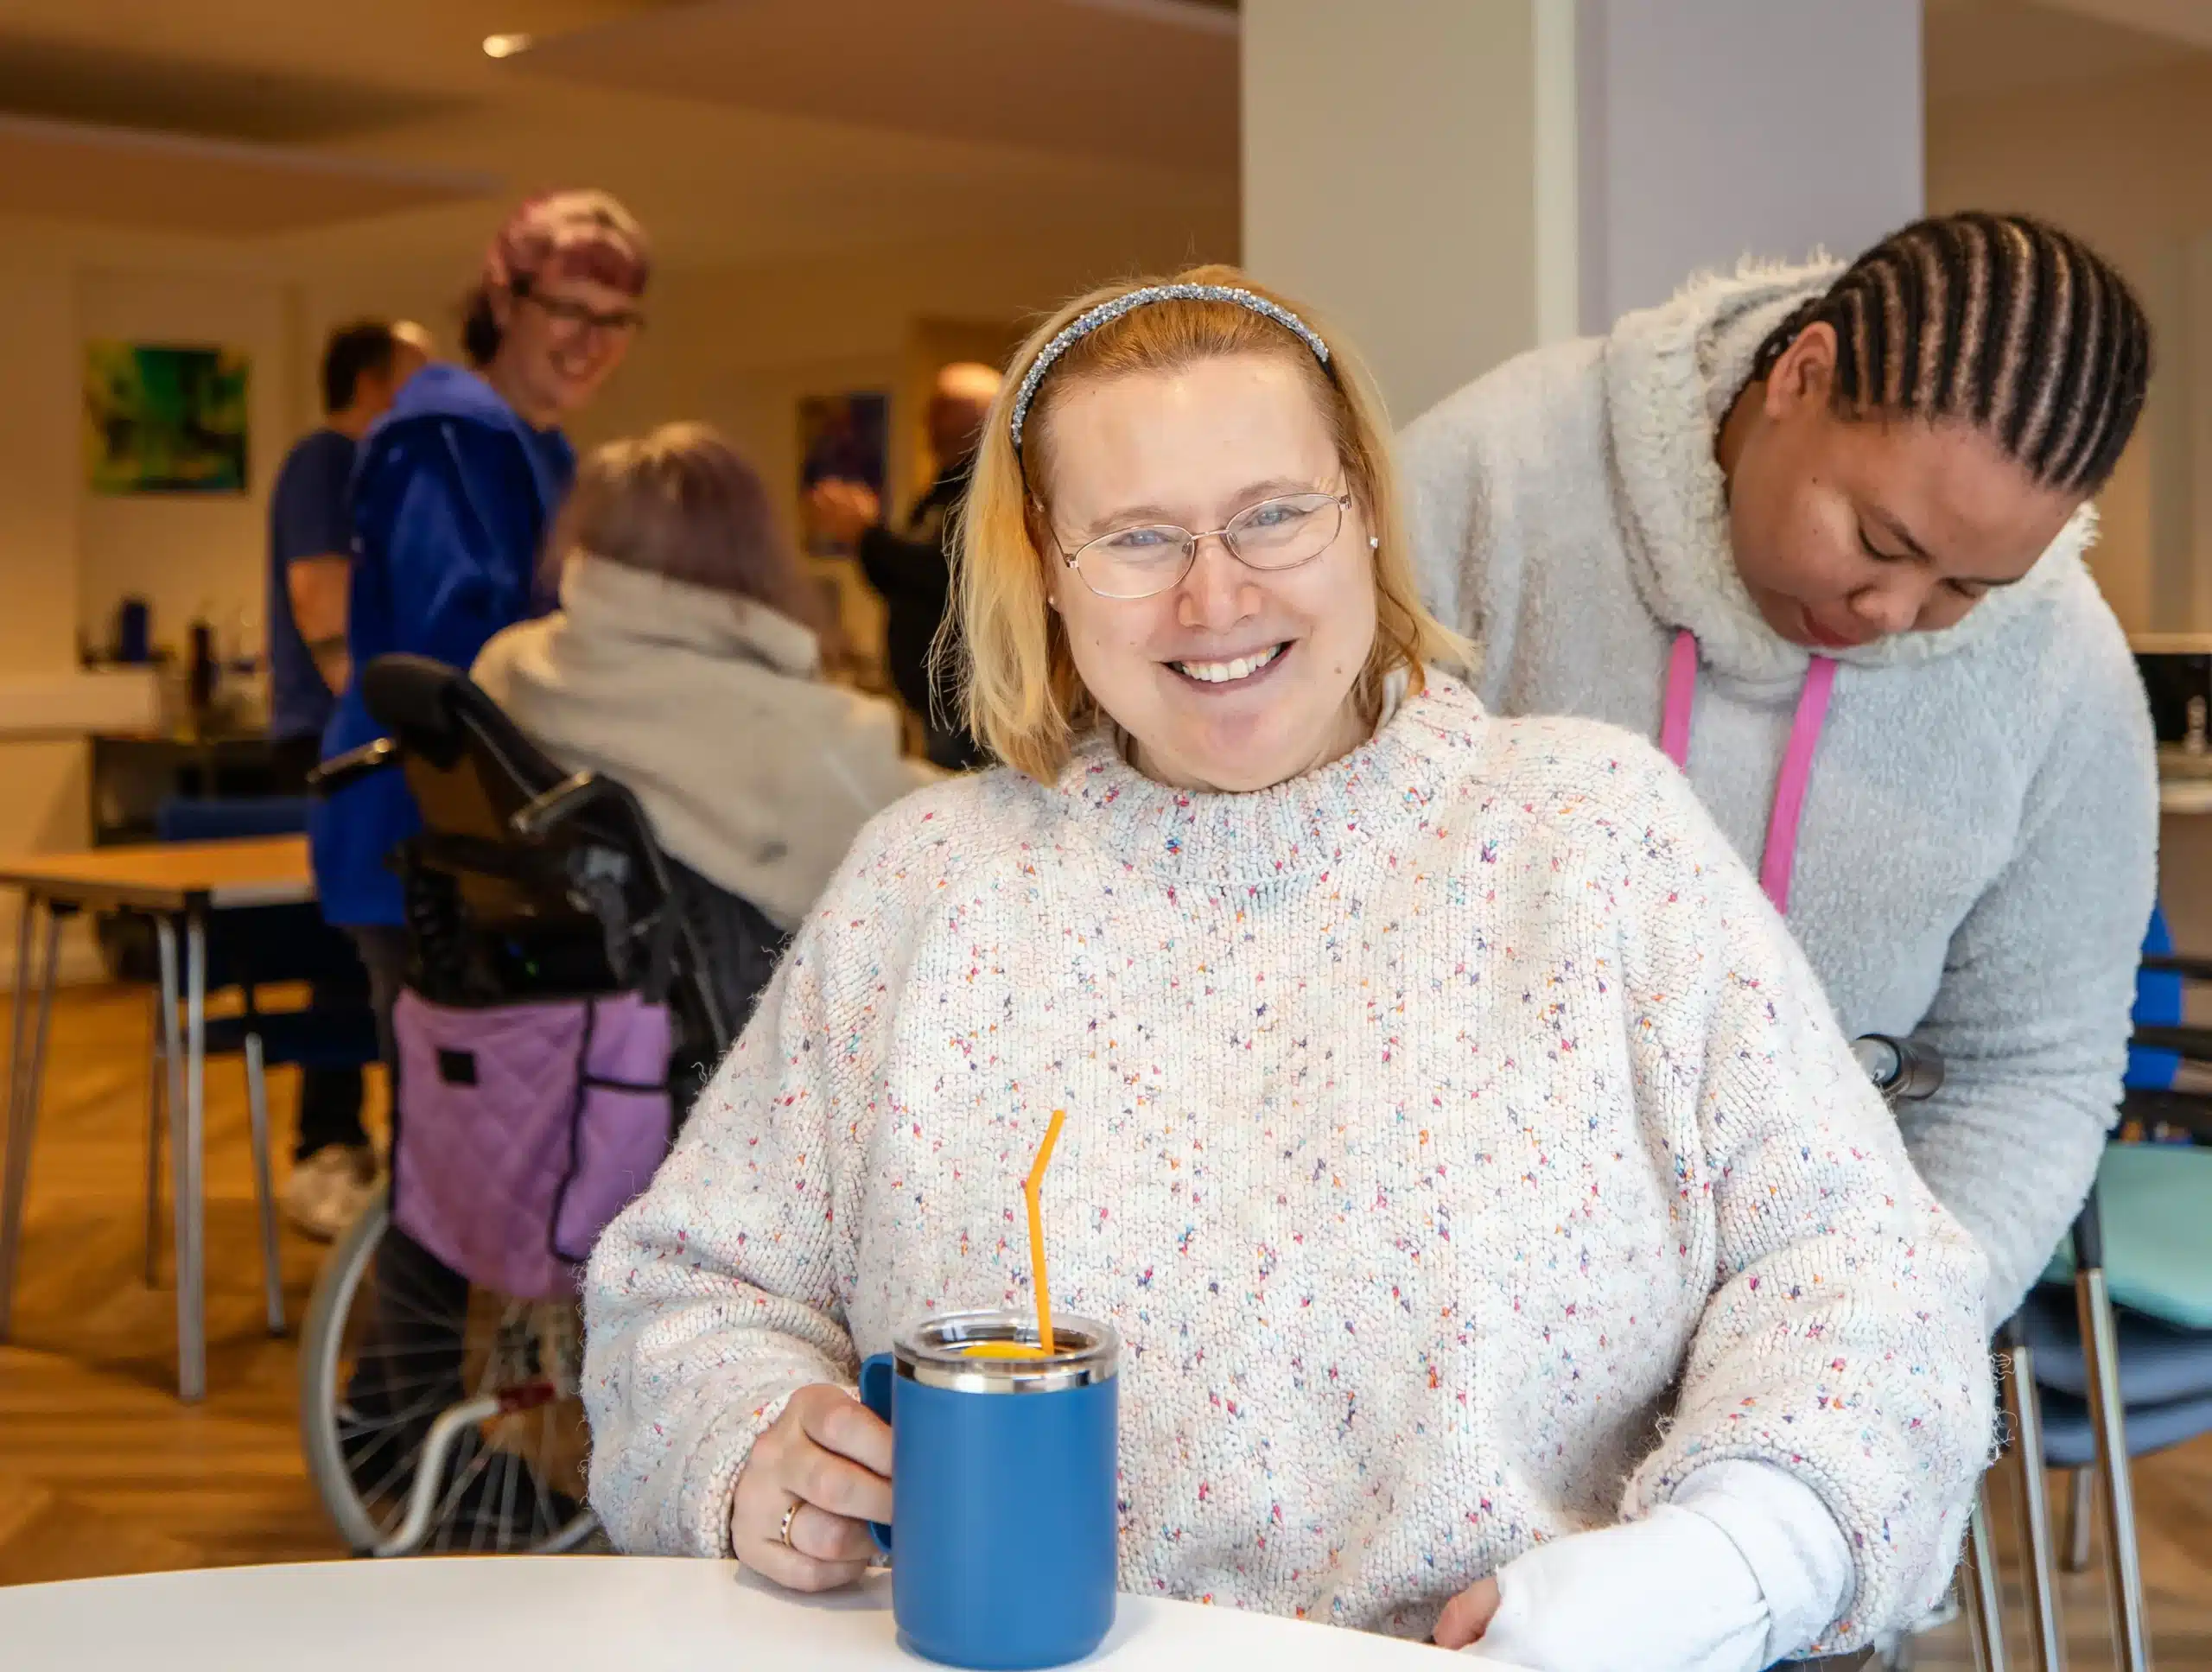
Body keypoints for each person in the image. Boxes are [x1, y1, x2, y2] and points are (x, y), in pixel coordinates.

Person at [582, 268, 1994, 1670]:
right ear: (1046, 566)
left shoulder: (1593, 838)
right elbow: (688, 1287)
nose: (1215, 595)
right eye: (1136, 538)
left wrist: (1735, 1558)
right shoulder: (926, 885)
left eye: (1272, 515)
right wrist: (745, 1443)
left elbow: (1863, 1272)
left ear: (1364, 509)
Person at [1399, 212, 2158, 1331]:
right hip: (1452, 1285)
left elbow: (2031, 1069)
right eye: (1882, 542)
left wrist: (1885, 1336)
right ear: (1802, 374)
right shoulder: (1491, 481)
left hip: (1825, 1304)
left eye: (1967, 587)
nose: (1894, 610)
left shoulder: (2063, 670)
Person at [311, 190, 648, 1539]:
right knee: (454, 1155)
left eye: (619, 320)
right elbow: (465, 647)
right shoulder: (444, 438)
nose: (593, 340)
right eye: (571, 310)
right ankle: (396, 1444)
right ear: (502, 299)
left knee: (464, 1148)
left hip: (473, 840)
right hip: (427, 842)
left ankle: (403, 1433)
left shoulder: (529, 447)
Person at [474, 421, 934, 1048]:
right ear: (752, 549)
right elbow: (924, 872)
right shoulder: (796, 731)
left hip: (574, 1028)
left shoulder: (509, 668)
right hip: (754, 1057)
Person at [264, 317, 430, 1237]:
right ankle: (325, 1148)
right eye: (416, 372)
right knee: (345, 950)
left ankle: (373, 1153)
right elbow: (319, 596)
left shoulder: (382, 473)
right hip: (338, 742)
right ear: (373, 383)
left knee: (374, 951)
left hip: (360, 738)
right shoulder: (326, 459)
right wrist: (370, 709)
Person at [809, 360, 1002, 769]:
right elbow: (900, 582)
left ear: (977, 418)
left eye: (942, 409)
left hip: (968, 698)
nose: (926, 421)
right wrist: (865, 539)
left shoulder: (991, 491)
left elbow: (946, 577)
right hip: (933, 700)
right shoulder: (941, 491)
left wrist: (868, 535)